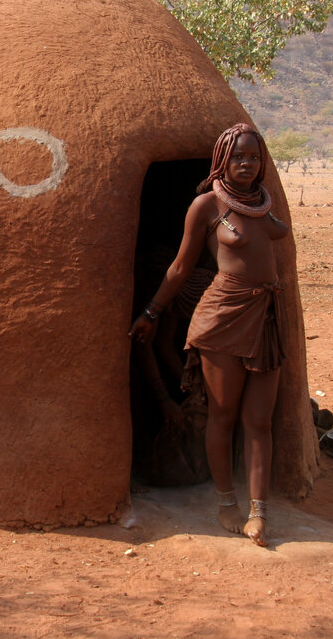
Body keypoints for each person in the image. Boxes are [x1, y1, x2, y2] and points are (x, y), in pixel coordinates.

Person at [129, 124, 290, 547]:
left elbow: (273, 240)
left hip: (265, 318)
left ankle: (259, 511)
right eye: (238, 156)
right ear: (222, 159)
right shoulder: (207, 205)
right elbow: (181, 268)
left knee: (258, 421)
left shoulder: (262, 205)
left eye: (254, 157)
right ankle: (225, 504)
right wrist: (152, 310)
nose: (246, 164)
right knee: (222, 414)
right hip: (222, 319)